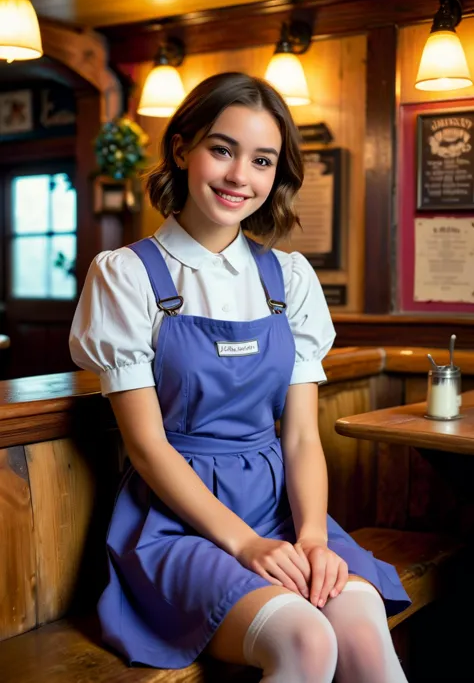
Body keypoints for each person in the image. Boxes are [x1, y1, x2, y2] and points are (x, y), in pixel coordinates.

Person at [70, 72, 411, 682]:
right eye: (221, 150)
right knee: (306, 639)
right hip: (176, 521)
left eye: (261, 160)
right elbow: (147, 449)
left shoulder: (290, 278)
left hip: (281, 511)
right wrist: (244, 544)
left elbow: (302, 437)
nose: (239, 177)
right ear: (183, 149)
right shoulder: (125, 275)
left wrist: (311, 537)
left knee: (359, 622)